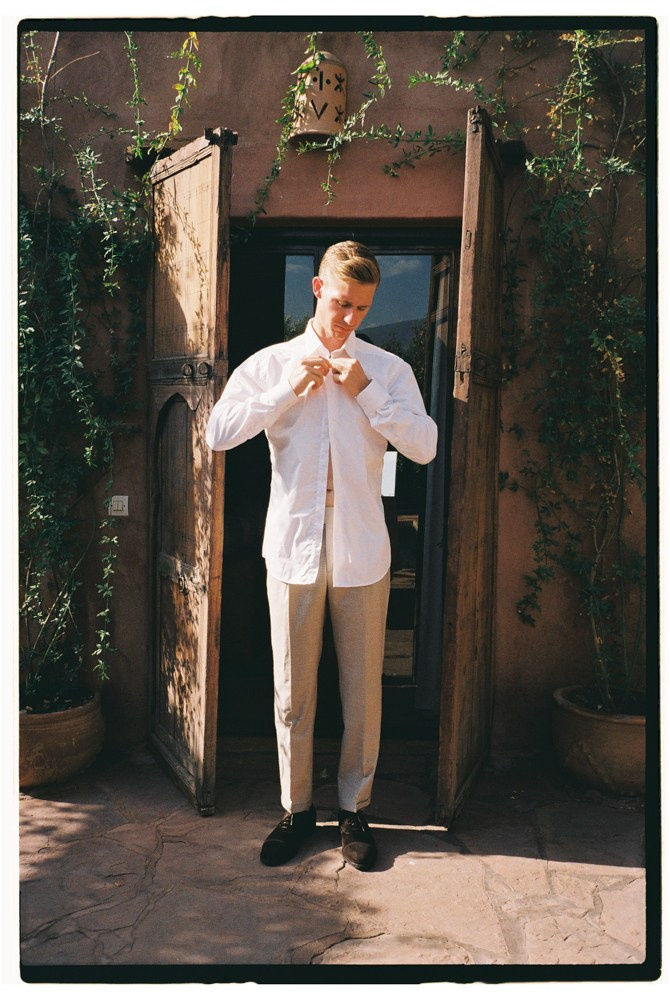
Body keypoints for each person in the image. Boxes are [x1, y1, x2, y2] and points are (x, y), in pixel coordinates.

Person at [206, 241, 437, 870]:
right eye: (341, 304)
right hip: (291, 549)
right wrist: (286, 388)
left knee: (363, 690)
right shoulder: (272, 363)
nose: (351, 319)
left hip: (363, 549)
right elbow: (219, 433)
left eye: (362, 308)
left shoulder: (387, 370)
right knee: (292, 691)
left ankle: (355, 811)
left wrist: (369, 395)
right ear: (316, 291)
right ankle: (296, 809)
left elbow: (424, 447)